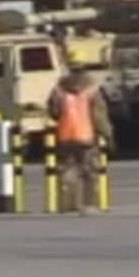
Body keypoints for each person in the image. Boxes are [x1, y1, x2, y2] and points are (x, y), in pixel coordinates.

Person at [47, 67, 111, 215]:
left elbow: (53, 111)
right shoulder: (91, 89)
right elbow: (98, 115)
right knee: (90, 172)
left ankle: (68, 204)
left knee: (68, 169)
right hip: (86, 135)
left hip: (65, 135)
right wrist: (108, 134)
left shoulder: (59, 89)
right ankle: (88, 205)